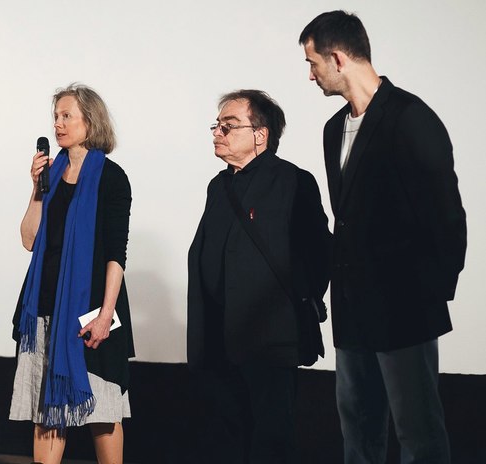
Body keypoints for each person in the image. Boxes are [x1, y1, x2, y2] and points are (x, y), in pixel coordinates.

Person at [299, 11, 467, 463]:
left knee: (418, 433)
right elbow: (347, 221)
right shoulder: (333, 129)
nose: (310, 75)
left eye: (313, 63)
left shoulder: (411, 117)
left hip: (405, 309)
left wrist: (424, 296)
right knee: (358, 428)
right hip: (352, 311)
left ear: (338, 58)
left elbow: (447, 219)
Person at [187, 89, 331, 463]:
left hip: (270, 339)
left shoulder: (293, 181)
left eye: (229, 125)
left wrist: (290, 305)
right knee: (227, 437)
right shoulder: (218, 186)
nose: (217, 132)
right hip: (218, 339)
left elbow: (319, 254)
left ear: (260, 134)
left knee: (272, 438)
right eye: (217, 125)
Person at [10, 84, 134, 464]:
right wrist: (36, 190)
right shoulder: (51, 174)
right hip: (45, 306)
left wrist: (105, 316)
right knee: (48, 411)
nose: (58, 124)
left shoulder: (111, 177)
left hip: (93, 309)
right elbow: (29, 240)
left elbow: (116, 254)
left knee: (103, 410)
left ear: (90, 122)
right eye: (56, 117)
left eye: (67, 116)